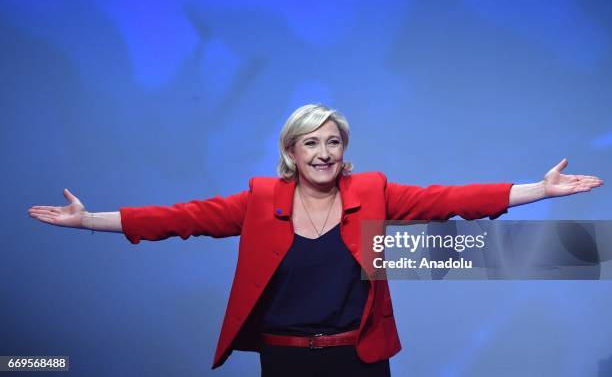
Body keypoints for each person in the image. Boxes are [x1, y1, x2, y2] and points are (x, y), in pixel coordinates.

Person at [28, 104, 603, 376]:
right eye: (310, 143)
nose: (323, 152)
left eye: (332, 142)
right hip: (286, 361)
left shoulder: (373, 190)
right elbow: (181, 217)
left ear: (343, 150)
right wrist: (88, 220)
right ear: (291, 153)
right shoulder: (260, 200)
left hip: (360, 358)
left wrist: (539, 190)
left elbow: (448, 200)